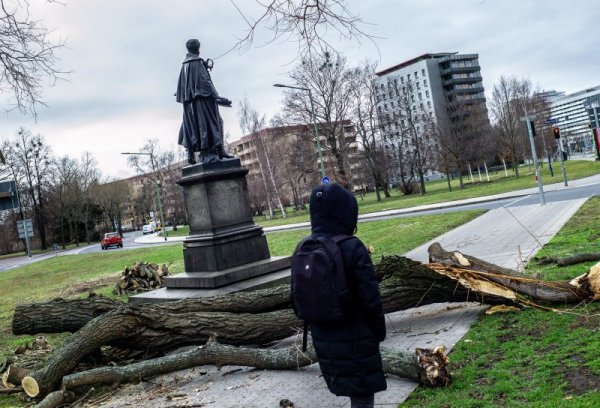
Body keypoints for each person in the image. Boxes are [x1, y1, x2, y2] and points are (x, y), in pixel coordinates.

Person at [307, 182, 387, 408]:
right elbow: (371, 300)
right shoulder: (352, 247)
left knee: (355, 394)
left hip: (324, 340)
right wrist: (378, 333)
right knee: (362, 397)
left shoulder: (307, 248)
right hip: (357, 339)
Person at [176, 39, 234, 165]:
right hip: (203, 102)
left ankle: (191, 154)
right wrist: (217, 96)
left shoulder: (185, 65)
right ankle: (219, 151)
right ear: (197, 48)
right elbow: (205, 81)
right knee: (215, 123)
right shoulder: (196, 62)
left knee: (191, 127)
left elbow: (182, 87)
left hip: (191, 105)